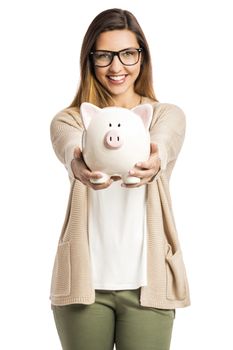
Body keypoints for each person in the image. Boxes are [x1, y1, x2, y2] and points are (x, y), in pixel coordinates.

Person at [50, 8, 190, 350]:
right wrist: (77, 162)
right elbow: (69, 145)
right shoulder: (70, 120)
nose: (117, 67)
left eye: (128, 53)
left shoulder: (164, 115)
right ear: (90, 60)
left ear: (142, 56)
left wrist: (156, 160)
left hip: (149, 284)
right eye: (104, 55)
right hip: (84, 286)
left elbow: (165, 142)